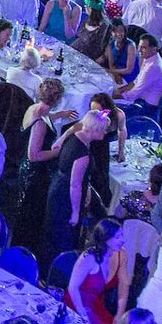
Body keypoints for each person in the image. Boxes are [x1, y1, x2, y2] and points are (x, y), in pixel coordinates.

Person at [44, 109, 114, 260]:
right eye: (103, 130)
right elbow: (75, 185)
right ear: (95, 130)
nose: (105, 133)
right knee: (64, 236)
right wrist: (76, 212)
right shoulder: (82, 154)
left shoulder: (74, 136)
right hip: (65, 196)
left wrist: (87, 187)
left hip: (57, 186)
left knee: (53, 232)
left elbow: (56, 146)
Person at [66, 221, 128, 324]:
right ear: (105, 238)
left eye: (122, 235)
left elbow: (124, 285)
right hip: (77, 305)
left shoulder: (112, 255)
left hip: (92, 305)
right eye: (117, 237)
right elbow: (72, 287)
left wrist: (119, 313)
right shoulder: (89, 257)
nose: (123, 240)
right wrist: (83, 315)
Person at [114, 35, 162, 110]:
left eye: (143, 48)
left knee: (107, 104)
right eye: (139, 46)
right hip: (142, 95)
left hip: (146, 104)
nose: (139, 50)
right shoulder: (150, 58)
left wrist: (113, 97)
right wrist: (119, 90)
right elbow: (137, 81)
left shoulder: (153, 67)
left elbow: (134, 94)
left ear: (153, 49)